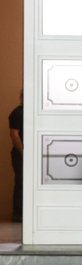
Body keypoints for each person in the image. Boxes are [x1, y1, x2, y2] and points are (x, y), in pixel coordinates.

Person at [8, 91, 21, 222]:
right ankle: (18, 214)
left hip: (25, 153)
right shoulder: (18, 113)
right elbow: (14, 135)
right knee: (21, 182)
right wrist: (23, 152)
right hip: (20, 154)